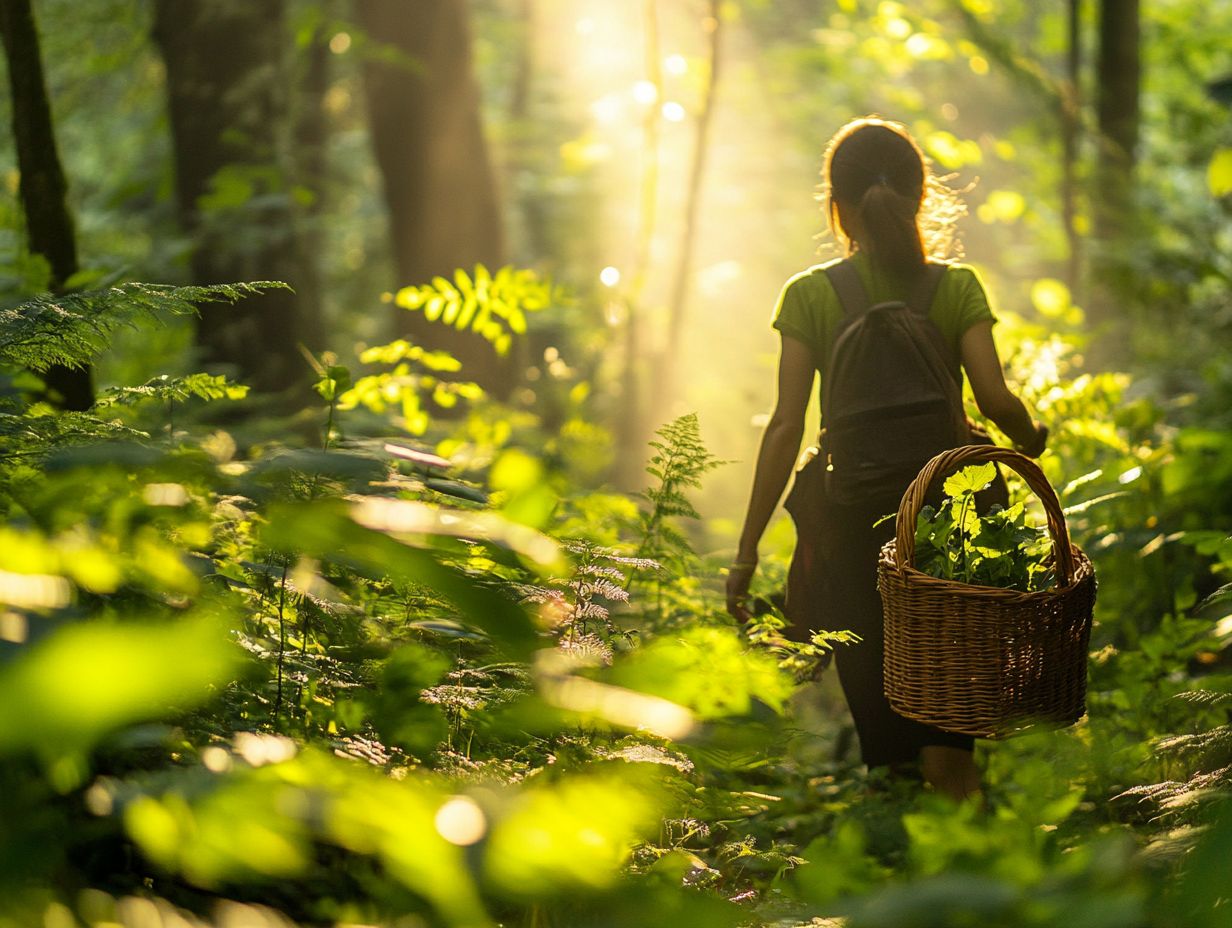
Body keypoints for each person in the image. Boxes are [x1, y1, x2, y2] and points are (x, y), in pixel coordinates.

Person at [725, 116, 1048, 802]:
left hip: (852, 535)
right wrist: (1031, 435)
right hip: (946, 530)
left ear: (835, 206)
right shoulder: (954, 287)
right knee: (948, 740)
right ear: (920, 198)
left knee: (887, 746)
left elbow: (786, 426)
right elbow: (992, 397)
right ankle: (985, 883)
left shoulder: (811, 293)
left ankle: (900, 879)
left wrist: (748, 550)